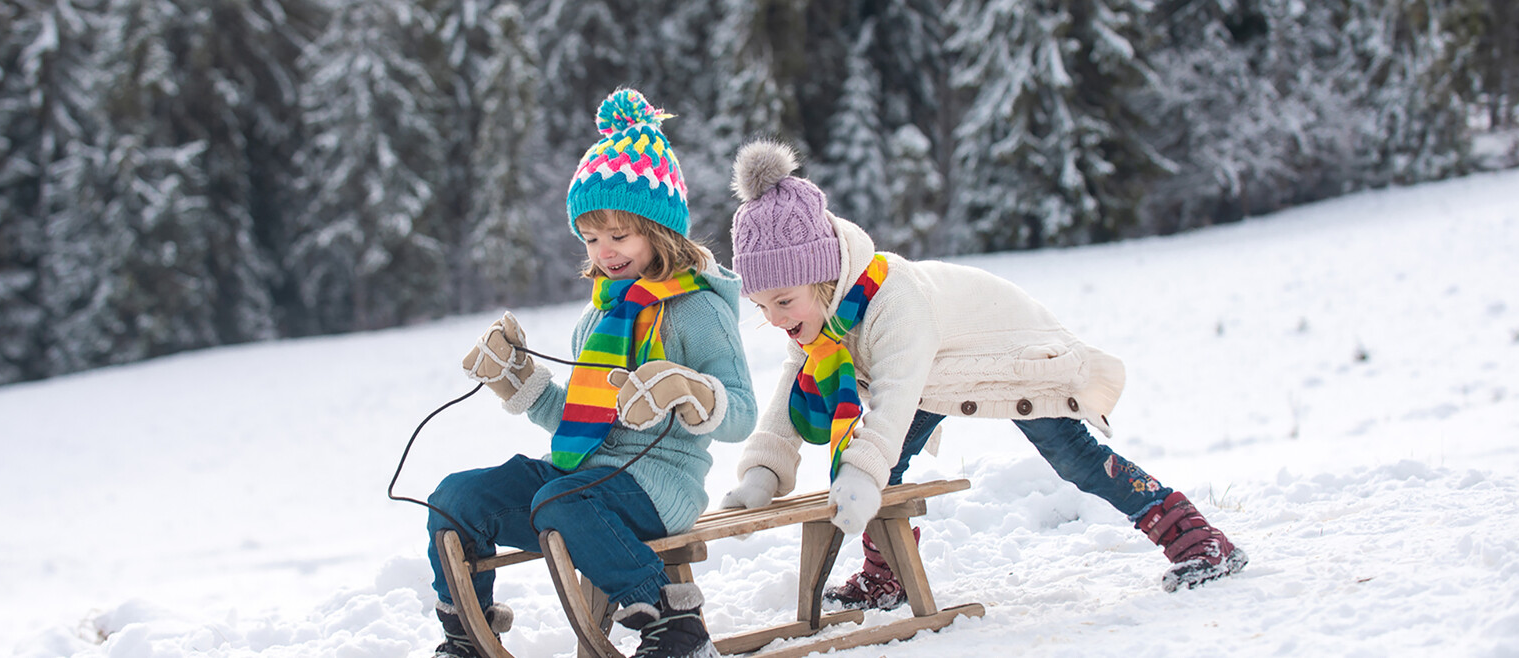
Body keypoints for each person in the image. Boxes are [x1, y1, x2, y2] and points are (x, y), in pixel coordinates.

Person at [716, 140, 1247, 606]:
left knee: (1074, 458)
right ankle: (888, 577)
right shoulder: (820, 320)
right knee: (887, 460)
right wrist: (762, 474)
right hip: (939, 369)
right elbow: (790, 393)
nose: (776, 320)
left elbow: (895, 400)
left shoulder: (893, 300)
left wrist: (859, 475)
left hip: (1013, 356)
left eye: (783, 301)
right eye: (762, 308)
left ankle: (1196, 537)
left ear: (823, 277)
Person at [424, 89, 755, 658]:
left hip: (660, 485)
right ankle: (468, 633)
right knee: (455, 498)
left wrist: (692, 391)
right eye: (591, 237)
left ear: (660, 229)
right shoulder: (599, 315)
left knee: (563, 499)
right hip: (577, 480)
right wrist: (520, 381)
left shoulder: (697, 311)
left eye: (618, 235)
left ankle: (676, 627)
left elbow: (741, 414)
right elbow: (584, 416)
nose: (604, 251)